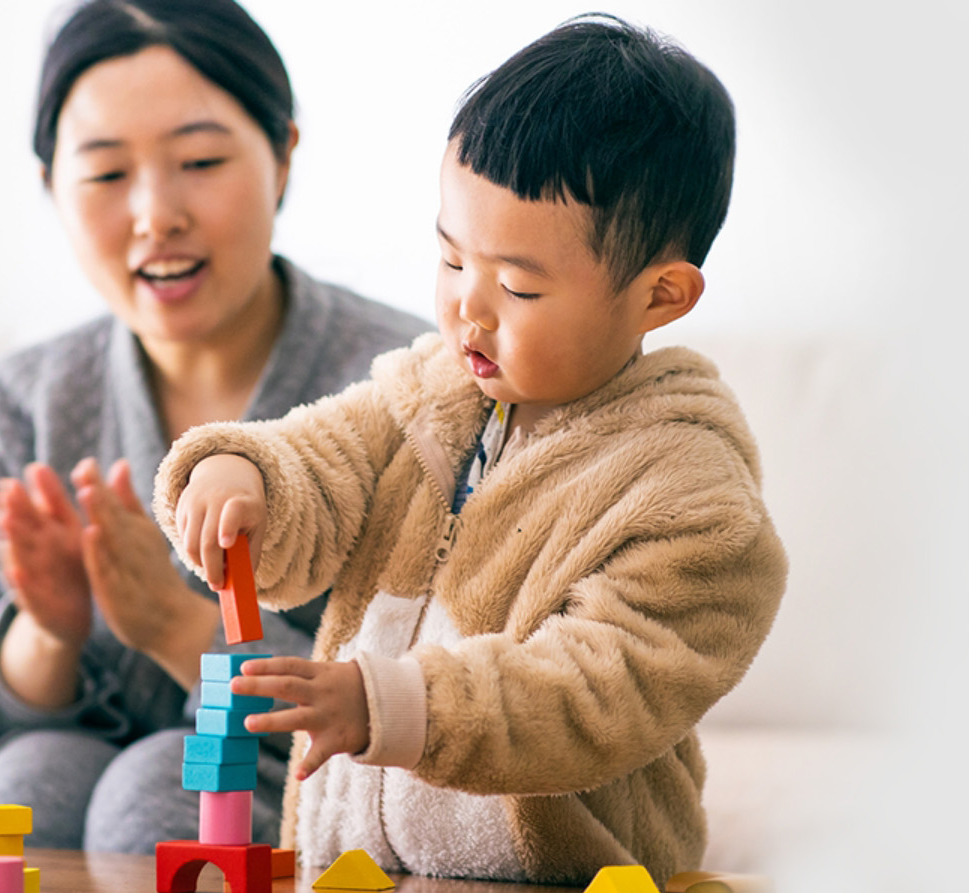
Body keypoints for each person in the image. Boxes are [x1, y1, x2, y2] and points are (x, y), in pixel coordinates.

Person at [153, 15, 786, 886]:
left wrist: (393, 702)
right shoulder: (435, 393)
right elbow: (324, 457)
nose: (467, 311)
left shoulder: (690, 496)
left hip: (566, 874)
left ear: (659, 296)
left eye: (518, 285)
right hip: (357, 866)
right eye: (452, 261)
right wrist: (243, 472)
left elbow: (592, 691)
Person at [0, 0, 431, 853]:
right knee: (17, 796)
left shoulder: (410, 386)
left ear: (283, 157)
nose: (156, 213)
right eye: (107, 175)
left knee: (155, 796)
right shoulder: (20, 403)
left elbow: (452, 709)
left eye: (200, 159)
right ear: (50, 190)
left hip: (321, 797)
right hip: (52, 775)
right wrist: (45, 635)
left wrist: (184, 633)